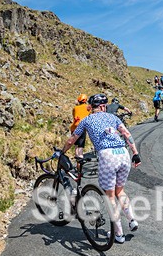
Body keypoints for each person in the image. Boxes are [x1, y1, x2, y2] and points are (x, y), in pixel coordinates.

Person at [60, 93, 141, 244]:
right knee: (120, 191)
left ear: (92, 107)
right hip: (123, 153)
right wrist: (135, 153)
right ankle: (132, 220)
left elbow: (72, 140)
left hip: (107, 156)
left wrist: (62, 152)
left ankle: (119, 234)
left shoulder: (87, 119)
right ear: (104, 106)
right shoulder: (113, 117)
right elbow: (127, 134)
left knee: (110, 196)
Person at [69, 93, 90, 159]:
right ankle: (80, 155)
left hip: (74, 127)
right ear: (86, 100)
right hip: (82, 126)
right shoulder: (88, 107)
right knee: (81, 142)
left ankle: (76, 154)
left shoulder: (75, 108)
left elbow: (74, 116)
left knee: (76, 142)